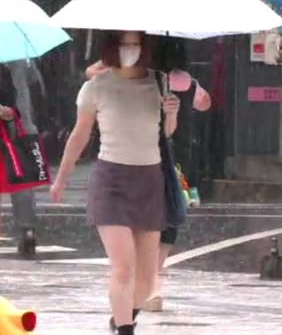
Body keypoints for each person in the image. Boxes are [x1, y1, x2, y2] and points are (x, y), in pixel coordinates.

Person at [51, 31, 181, 335]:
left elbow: (167, 133)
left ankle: (122, 317)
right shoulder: (96, 87)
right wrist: (61, 179)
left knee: (147, 279)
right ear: (111, 47)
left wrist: (172, 113)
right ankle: (125, 329)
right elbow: (79, 136)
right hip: (111, 181)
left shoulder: (158, 82)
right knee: (123, 267)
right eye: (124, 44)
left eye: (135, 44)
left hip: (149, 180)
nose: (130, 50)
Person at [84, 45, 211, 313]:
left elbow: (192, 110)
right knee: (154, 223)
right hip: (149, 154)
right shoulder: (146, 67)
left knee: (163, 220)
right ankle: (144, 289)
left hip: (164, 153)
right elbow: (93, 72)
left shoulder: (166, 76)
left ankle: (148, 287)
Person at [0, 62, 45, 258]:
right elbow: (38, 87)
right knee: (22, 180)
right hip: (22, 127)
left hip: (16, 126)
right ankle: (28, 230)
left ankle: (27, 231)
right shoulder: (21, 57)